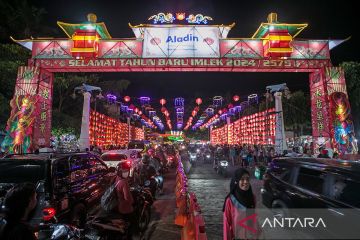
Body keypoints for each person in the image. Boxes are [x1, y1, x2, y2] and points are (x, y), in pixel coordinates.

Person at [223, 168, 260, 240]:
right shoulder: (230, 200)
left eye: (247, 179)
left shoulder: (252, 197)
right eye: (242, 179)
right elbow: (227, 224)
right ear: (236, 181)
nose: (246, 182)